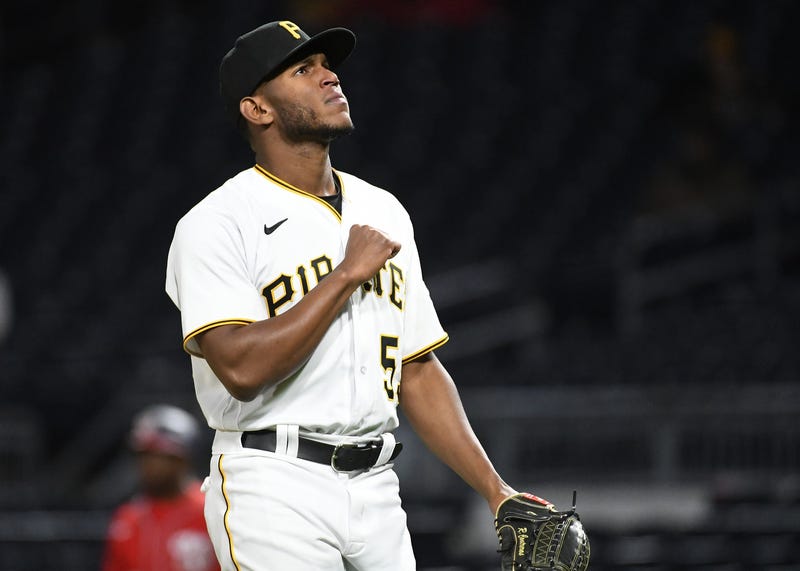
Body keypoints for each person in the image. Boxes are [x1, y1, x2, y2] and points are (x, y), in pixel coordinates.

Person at [165, 20, 517, 570]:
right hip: (273, 482)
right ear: (258, 110)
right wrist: (345, 276)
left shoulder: (384, 209)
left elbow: (417, 371)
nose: (329, 76)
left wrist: (497, 491)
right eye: (303, 70)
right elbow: (239, 366)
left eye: (327, 65)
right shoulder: (216, 223)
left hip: (378, 487)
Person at [101, 404, 220, 571]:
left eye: (157, 456)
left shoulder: (213, 508)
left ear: (182, 458)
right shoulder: (128, 518)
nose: (149, 465)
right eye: (144, 456)